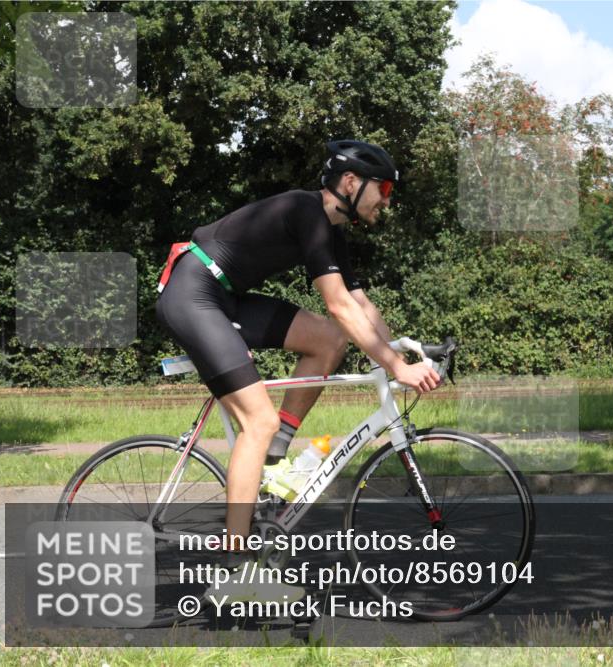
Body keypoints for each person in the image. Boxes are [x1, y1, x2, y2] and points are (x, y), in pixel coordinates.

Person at [155, 140, 440, 601]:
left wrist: (396, 352)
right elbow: (338, 305)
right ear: (351, 182)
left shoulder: (332, 229)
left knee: (328, 340)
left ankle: (273, 463)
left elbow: (359, 304)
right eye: (384, 188)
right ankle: (236, 571)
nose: (387, 200)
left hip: (224, 297)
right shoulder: (308, 211)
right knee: (259, 421)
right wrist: (395, 367)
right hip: (193, 294)